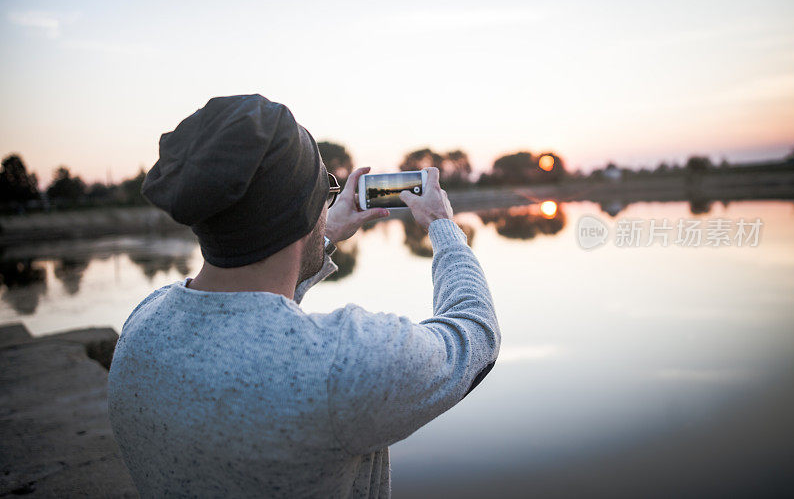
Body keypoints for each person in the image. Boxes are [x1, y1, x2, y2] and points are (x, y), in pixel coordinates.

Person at [107, 94, 500, 498]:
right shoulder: (345, 361)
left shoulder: (143, 325)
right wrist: (443, 228)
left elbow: (251, 313)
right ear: (302, 212)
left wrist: (320, 235)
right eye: (325, 194)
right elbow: (475, 333)